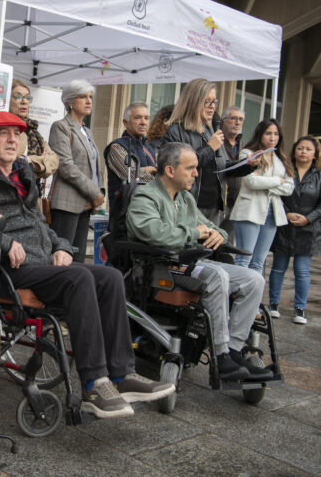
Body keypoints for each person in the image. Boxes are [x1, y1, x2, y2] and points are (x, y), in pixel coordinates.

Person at [0, 111, 174, 419]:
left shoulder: (24, 176)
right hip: (0, 269)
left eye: (16, 133)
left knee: (110, 277)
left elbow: (39, 225)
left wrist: (61, 246)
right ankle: (94, 384)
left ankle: (121, 373)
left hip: (39, 264)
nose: (13, 139)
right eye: (3, 133)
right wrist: (2, 241)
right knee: (78, 277)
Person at [126, 143, 272, 381]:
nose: (196, 173)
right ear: (171, 170)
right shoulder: (146, 195)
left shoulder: (184, 199)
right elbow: (153, 231)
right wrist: (195, 233)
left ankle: (233, 350)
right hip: (161, 267)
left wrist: (219, 235)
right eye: (191, 168)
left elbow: (211, 227)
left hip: (190, 263)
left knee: (254, 280)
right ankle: (221, 357)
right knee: (218, 276)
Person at [163, 78, 255, 226]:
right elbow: (179, 167)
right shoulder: (176, 130)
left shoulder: (210, 130)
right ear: (194, 101)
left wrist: (248, 165)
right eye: (207, 102)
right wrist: (209, 148)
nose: (212, 107)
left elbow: (221, 167)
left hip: (213, 208)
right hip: (188, 205)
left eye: (215, 102)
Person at [269, 137, 321, 324]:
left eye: (308, 149)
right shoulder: (285, 171)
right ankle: (273, 304)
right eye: (300, 148)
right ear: (294, 151)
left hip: (309, 229)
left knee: (302, 270)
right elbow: (276, 193)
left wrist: (307, 218)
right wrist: (287, 214)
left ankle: (300, 308)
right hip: (285, 225)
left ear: (315, 154)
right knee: (278, 267)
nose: (304, 151)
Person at [48, 79, 104, 262]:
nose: (89, 101)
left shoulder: (87, 131)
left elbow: (95, 166)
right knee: (62, 258)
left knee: (78, 259)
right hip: (67, 204)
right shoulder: (61, 127)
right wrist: (93, 192)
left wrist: (99, 192)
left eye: (90, 97)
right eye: (82, 97)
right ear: (70, 101)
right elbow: (66, 166)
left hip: (86, 204)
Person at [230, 119, 294, 274]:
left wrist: (266, 184)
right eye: (268, 133)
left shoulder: (281, 159)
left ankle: (255, 298)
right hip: (249, 211)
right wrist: (278, 180)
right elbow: (252, 182)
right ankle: (238, 295)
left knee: (259, 262)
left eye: (276, 134)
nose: (273, 138)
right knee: (244, 259)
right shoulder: (248, 153)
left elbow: (289, 187)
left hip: (272, 213)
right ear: (260, 134)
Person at [9, 79, 58, 195]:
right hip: (9, 193)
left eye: (27, 97)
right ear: (7, 99)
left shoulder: (33, 132)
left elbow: (54, 161)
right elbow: (9, 162)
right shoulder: (4, 129)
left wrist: (29, 160)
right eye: (18, 97)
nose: (24, 102)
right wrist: (41, 164)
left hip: (33, 196)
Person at [104, 102, 156, 203]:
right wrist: (155, 173)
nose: (143, 122)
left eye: (146, 118)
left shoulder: (149, 148)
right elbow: (132, 176)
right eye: (137, 117)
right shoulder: (117, 147)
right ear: (125, 122)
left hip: (149, 207)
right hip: (125, 211)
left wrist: (150, 170)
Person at [219, 106, 245, 244]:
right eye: (233, 118)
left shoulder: (243, 145)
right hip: (218, 202)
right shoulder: (217, 142)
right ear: (223, 121)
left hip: (235, 204)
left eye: (240, 119)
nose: (237, 122)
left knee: (226, 244)